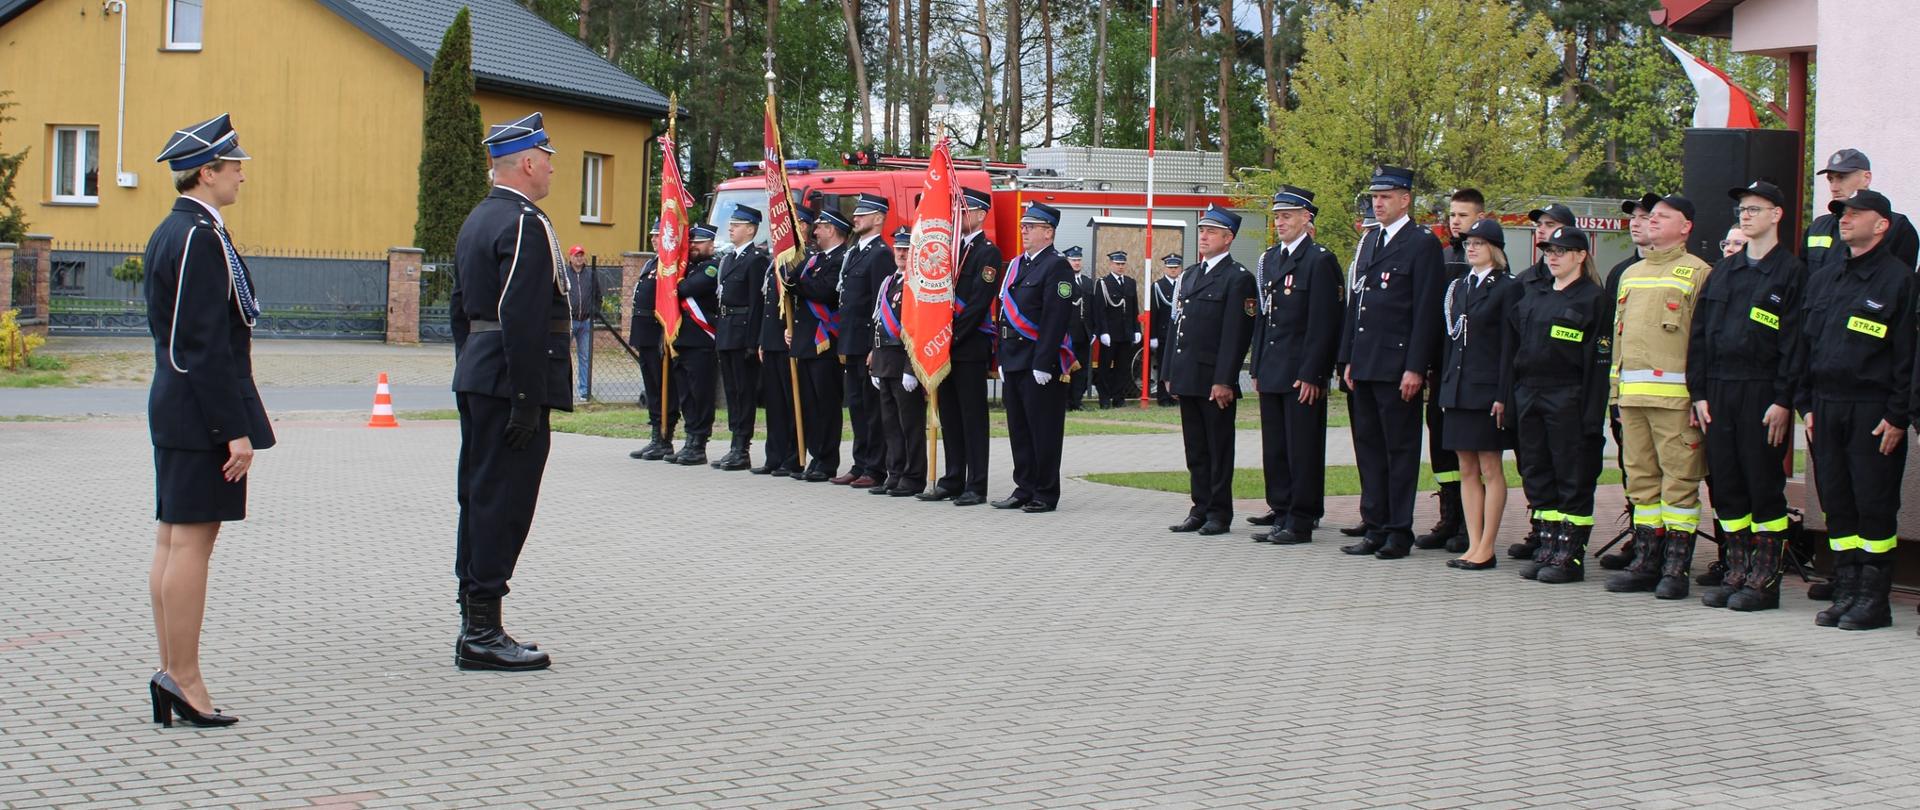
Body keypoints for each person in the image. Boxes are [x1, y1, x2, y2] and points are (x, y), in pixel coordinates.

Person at [143, 113, 270, 725]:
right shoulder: (198, 236)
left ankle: (173, 670)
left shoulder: (180, 229)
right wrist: (233, 428)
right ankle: (184, 677)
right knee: (191, 539)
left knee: (174, 537)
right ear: (206, 171)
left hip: (177, 403)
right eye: (234, 164)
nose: (242, 173)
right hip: (199, 411)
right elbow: (201, 344)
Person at [449, 111, 572, 671]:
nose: (550, 168)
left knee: (479, 497)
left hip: (481, 373)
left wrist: (469, 367)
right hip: (509, 380)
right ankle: (482, 633)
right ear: (526, 162)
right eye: (546, 158)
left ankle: (476, 618)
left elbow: (460, 309)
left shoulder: (479, 218)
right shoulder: (525, 221)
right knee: (503, 502)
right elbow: (521, 316)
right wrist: (526, 398)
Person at [1687, 180, 1803, 610]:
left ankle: (1764, 578)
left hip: (1761, 391)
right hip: (1718, 391)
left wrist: (1782, 399)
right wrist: (1698, 392)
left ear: (1776, 215)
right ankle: (1736, 569)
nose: (1746, 215)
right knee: (1728, 485)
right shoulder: (1725, 271)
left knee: (1761, 483)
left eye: (1755, 208)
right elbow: (1698, 337)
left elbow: (1794, 344)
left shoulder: (1790, 273)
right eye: (1742, 209)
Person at [1801, 190, 1913, 631]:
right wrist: (1805, 404)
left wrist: (1898, 414)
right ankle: (1846, 588)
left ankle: (1873, 598)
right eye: (1842, 214)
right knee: (1838, 504)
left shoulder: (1898, 279)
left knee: (1874, 505)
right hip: (1825, 408)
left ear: (1881, 223)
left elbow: (1906, 355)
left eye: (1854, 213)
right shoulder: (1827, 277)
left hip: (1872, 410)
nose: (1844, 219)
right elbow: (1807, 345)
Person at [1604, 195, 1715, 600]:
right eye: (1650, 217)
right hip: (1632, 401)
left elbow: (1702, 342)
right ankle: (1647, 560)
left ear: (1685, 227)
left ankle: (1675, 567)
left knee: (1680, 484)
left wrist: (1697, 397)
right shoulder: (1630, 274)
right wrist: (1615, 395)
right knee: (1641, 483)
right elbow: (1619, 341)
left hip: (1676, 403)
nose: (1651, 222)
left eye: (1662, 217)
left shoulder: (1699, 273)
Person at [1337, 165, 1446, 559]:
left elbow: (1425, 312)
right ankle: (1376, 524)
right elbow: (1357, 305)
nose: (1378, 203)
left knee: (1398, 450)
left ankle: (1398, 530)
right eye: (1374, 197)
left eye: (1385, 196)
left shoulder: (1421, 243)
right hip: (1365, 362)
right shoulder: (1370, 242)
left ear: (1405, 199)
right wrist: (1347, 357)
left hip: (1397, 365)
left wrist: (1416, 366)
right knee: (1369, 448)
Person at [1500, 225, 1613, 582]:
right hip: (1531, 392)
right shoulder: (1536, 295)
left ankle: (1570, 555)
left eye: (1561, 251)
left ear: (1581, 255)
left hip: (1569, 395)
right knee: (1536, 472)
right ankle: (1548, 546)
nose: (1552, 256)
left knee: (1572, 474)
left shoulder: (1593, 299)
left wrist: (1591, 413)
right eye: (1549, 250)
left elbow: (1598, 361)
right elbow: (1515, 349)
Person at [1249, 187, 1342, 545]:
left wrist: (1314, 373)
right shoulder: (1271, 259)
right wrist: (1256, 365)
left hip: (1301, 370)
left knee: (1301, 446)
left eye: (1288, 215)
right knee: (1275, 446)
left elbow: (1323, 324)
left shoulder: (1319, 260)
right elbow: (1264, 318)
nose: (1281, 222)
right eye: (1277, 216)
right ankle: (1281, 508)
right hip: (1273, 365)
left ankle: (1301, 517)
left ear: (1307, 218)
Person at [1165, 205, 1257, 536]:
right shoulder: (1190, 274)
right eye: (1202, 230)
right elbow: (1176, 327)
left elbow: (1236, 335)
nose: (1203, 236)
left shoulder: (1238, 278)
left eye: (1212, 232)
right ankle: (1199, 506)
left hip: (1213, 379)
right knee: (1196, 449)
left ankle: (1219, 512)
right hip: (1188, 374)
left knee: (1218, 448)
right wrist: (1169, 371)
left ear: (1228, 238)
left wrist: (1225, 379)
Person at [1435, 219, 1519, 569]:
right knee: (1465, 466)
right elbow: (1452, 342)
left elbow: (1508, 346)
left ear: (1495, 250)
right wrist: (1445, 390)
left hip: (1487, 390)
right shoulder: (1459, 286)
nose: (1471, 248)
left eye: (1480, 243)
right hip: (1459, 387)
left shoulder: (1508, 287)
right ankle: (1473, 543)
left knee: (1489, 465)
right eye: (1468, 243)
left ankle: (1487, 545)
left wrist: (1503, 394)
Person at [1414, 189, 1488, 553]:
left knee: (1470, 449)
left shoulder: (1487, 263)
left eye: (1463, 215)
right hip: (1440, 367)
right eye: (1452, 215)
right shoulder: (1442, 257)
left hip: (1469, 371)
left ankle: (1468, 524)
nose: (1455, 221)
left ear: (1481, 216)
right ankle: (1449, 514)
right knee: (1441, 443)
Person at [993, 202, 1076, 513]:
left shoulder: (1057, 266)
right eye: (1023, 225)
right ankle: (1024, 486)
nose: (1024, 230)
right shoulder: (1018, 265)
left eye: (1031, 226)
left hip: (1038, 362)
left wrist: (1044, 361)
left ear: (1049, 232)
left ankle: (1045, 491)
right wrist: (1000, 358)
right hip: (1013, 357)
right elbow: (1003, 313)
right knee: (1019, 428)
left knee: (1043, 429)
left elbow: (1056, 317)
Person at [921, 188, 1002, 506]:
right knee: (950, 415)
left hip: (968, 346)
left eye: (964, 210)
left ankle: (976, 484)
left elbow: (979, 303)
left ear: (981, 215)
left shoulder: (987, 252)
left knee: (972, 417)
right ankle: (952, 478)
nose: (957, 215)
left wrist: (949, 337)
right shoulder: (949, 250)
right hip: (945, 346)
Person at [1595, 194, 1659, 569]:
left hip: (1665, 395)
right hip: (1626, 393)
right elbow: (1609, 336)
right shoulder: (1621, 272)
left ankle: (1665, 541)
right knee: (1633, 467)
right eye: (1633, 217)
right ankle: (1641, 536)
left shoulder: (1687, 270)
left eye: (1646, 216)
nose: (1637, 222)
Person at [835, 193, 892, 488]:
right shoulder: (855, 251)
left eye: (863, 213)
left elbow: (879, 304)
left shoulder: (881, 253)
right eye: (856, 213)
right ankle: (859, 463)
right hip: (850, 339)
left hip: (866, 342)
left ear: (879, 218)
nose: (855, 218)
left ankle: (875, 467)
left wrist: (874, 345)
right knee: (856, 405)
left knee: (871, 408)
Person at [789, 207, 851, 481]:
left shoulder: (841, 258)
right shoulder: (815, 260)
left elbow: (824, 291)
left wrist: (798, 284)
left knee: (826, 405)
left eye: (820, 227)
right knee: (810, 405)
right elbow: (794, 279)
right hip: (805, 342)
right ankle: (815, 456)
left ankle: (827, 461)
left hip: (825, 341)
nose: (814, 231)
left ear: (833, 230)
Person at [867, 226, 927, 496]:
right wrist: (874, 357)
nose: (901, 253)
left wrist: (911, 369)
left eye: (906, 249)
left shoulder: (917, 283)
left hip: (904, 361)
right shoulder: (889, 281)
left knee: (910, 424)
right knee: (890, 423)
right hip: (884, 360)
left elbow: (918, 329)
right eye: (898, 248)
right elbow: (878, 321)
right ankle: (895, 472)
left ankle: (913, 477)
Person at [753, 204, 811, 477]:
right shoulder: (774, 260)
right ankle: (773, 455)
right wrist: (763, 341)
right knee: (774, 403)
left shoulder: (803, 259)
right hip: (773, 340)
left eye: (796, 224)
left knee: (792, 402)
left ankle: (794, 456)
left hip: (791, 339)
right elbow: (767, 304)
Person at [712, 205, 769, 471]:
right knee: (733, 392)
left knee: (744, 391)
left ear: (751, 229)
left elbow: (756, 303)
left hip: (743, 331)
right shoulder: (729, 259)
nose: (730, 228)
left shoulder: (755, 260)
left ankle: (741, 447)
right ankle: (734, 444)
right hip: (727, 329)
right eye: (731, 224)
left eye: (737, 224)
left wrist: (752, 340)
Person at [1806, 149, 1918, 272]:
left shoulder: (1896, 227)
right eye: (1831, 179)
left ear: (1866, 178)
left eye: (1841, 178)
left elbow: (1900, 284)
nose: (1834, 187)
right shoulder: (1818, 226)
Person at [667, 223, 721, 465]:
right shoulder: (686, 267)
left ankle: (699, 442)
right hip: (680, 340)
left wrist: (673, 283)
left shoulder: (712, 267)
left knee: (701, 394)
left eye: (699, 243)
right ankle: (689, 438)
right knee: (685, 394)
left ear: (711, 244)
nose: (694, 247)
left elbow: (686, 288)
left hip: (701, 340)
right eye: (692, 243)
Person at [628, 219, 681, 461]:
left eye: (658, 235)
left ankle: (664, 437)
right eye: (652, 235)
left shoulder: (669, 266)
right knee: (651, 386)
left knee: (662, 386)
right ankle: (654, 435)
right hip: (644, 333)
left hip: (657, 332)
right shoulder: (652, 263)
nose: (653, 239)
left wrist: (665, 333)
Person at [1095, 252, 1141, 408]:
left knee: (1123, 368)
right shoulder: (1103, 283)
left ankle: (1118, 398)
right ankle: (1104, 398)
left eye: (1122, 264)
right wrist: (1103, 332)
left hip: (1126, 332)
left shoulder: (1130, 283)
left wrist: (1137, 329)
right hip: (1110, 333)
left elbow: (1134, 308)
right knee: (1105, 367)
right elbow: (1099, 310)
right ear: (1111, 264)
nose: (1120, 267)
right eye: (1117, 264)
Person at [563, 245, 600, 402]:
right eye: (576, 255)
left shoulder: (590, 274)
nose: (579, 258)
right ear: (570, 257)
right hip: (569, 321)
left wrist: (594, 312)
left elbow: (598, 295)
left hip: (585, 321)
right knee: (563, 355)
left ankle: (585, 391)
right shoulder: (564, 274)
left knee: (584, 357)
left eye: (581, 255)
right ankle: (564, 390)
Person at [1063, 246, 1098, 410]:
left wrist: (1094, 330)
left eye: (1078, 260)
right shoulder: (1063, 281)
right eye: (1073, 260)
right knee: (1066, 368)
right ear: (1067, 261)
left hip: (1084, 333)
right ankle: (1064, 401)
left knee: (1082, 369)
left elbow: (1093, 307)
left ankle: (1077, 400)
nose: (1077, 263)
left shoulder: (1087, 282)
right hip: (1068, 332)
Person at [1149, 253, 1182, 406]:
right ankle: (1163, 397)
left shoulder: (1184, 284)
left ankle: (1176, 396)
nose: (1173, 271)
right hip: (1163, 333)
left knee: (1178, 366)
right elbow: (1154, 312)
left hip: (1180, 333)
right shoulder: (1158, 286)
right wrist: (1152, 335)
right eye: (1170, 268)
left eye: (1176, 268)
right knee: (1164, 366)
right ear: (1165, 268)